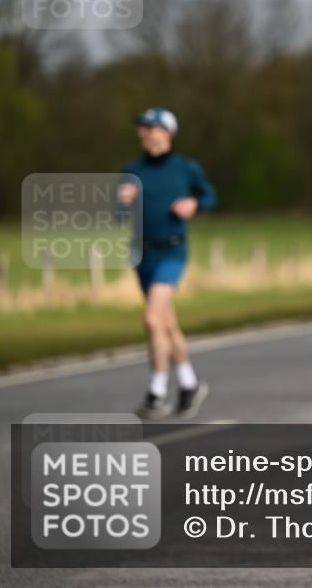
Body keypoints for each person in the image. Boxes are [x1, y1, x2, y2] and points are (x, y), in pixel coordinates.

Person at [117, 108, 217, 419]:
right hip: (142, 255)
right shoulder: (132, 170)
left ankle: (157, 392)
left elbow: (210, 196)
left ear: (167, 133)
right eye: (142, 128)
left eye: (151, 128)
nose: (144, 133)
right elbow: (117, 216)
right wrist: (123, 203)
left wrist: (194, 204)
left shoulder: (186, 168)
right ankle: (189, 384)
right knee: (166, 324)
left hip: (172, 252)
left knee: (151, 319)